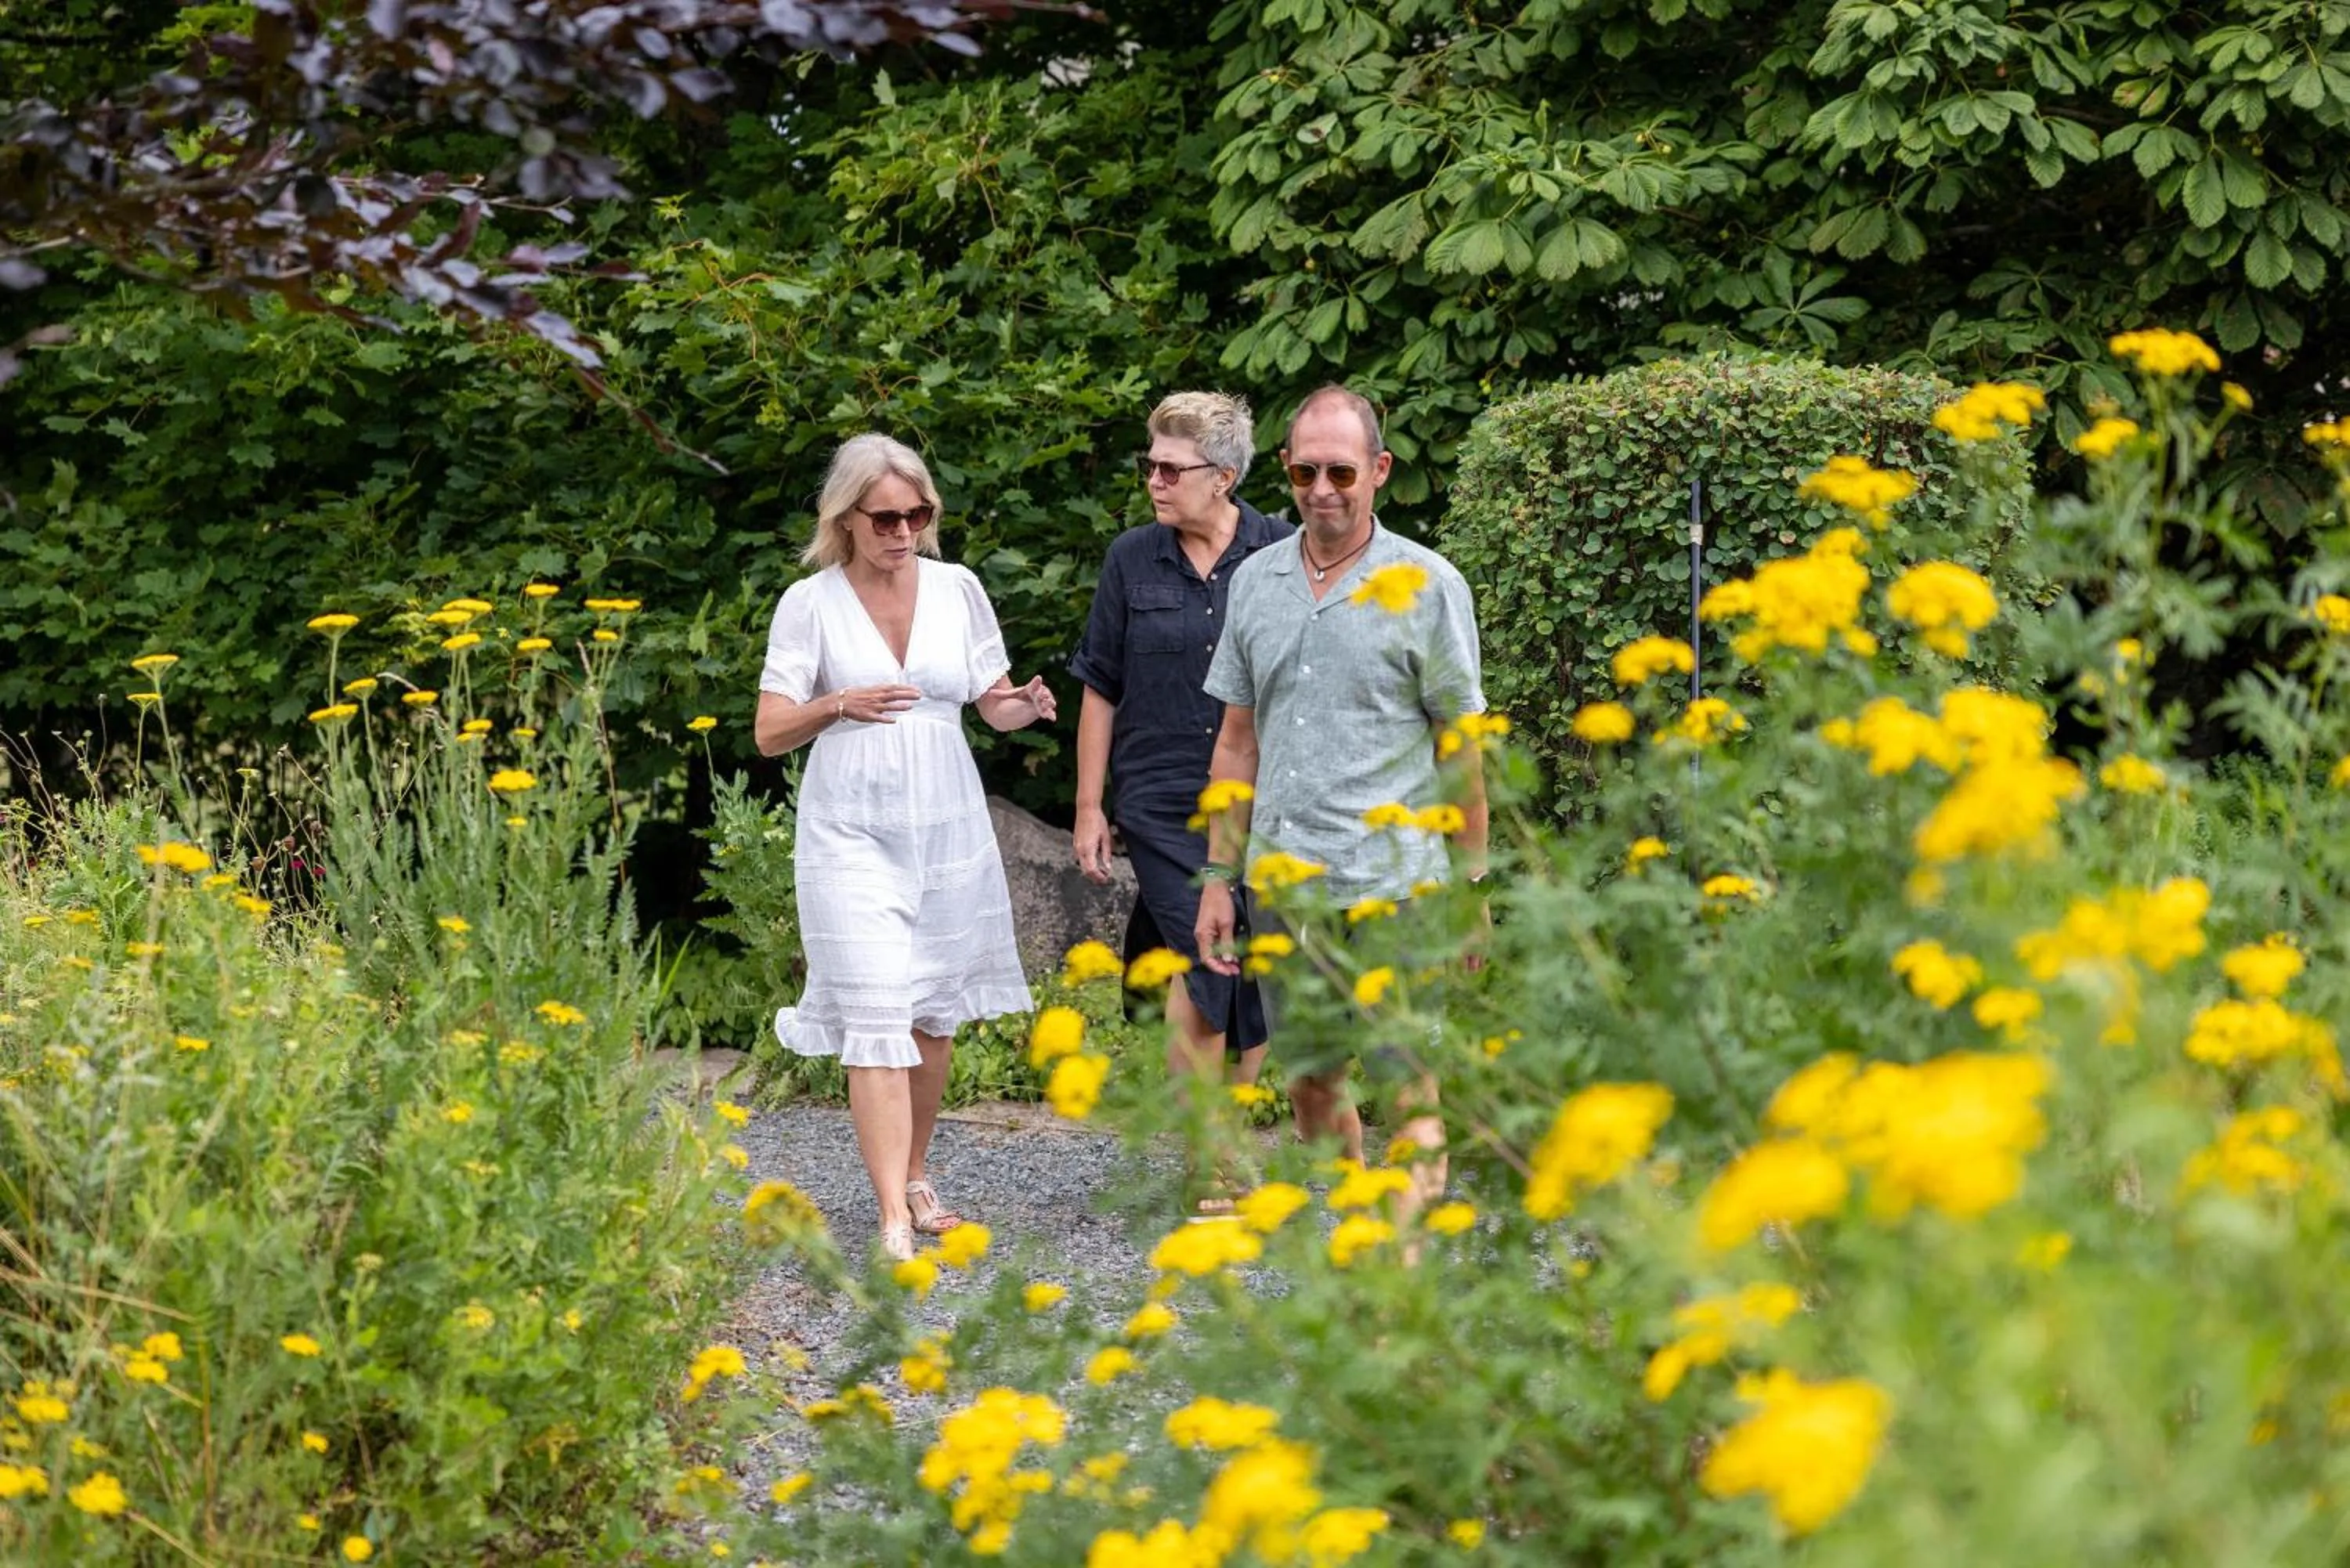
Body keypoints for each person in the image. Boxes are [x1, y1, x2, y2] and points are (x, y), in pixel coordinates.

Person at [754, 433, 1058, 1262]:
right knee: (877, 1012)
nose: (903, 529)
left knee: (930, 1018)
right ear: (845, 518)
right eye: (886, 516)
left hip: (947, 821)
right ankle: (892, 1211)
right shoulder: (809, 604)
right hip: (849, 827)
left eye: (918, 513)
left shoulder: (959, 588)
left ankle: (918, 1173)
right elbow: (770, 731)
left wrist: (1024, 705)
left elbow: (988, 705)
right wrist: (839, 702)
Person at [1194, 384, 1487, 1216]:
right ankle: (1362, 1229)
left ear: (1381, 471)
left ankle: (1408, 1256)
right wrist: (1219, 875)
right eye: (1306, 470)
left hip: (1398, 882)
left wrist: (1471, 886)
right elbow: (1237, 742)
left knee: (1408, 1081)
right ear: (1285, 468)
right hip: (1286, 884)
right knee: (1312, 1083)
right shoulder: (1255, 582)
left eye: (1342, 472)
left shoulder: (1428, 585)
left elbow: (1459, 747)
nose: (1322, 489)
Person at [1068, 392, 1292, 1209]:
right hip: (1161, 801)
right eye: (1150, 465)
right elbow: (1100, 682)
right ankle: (1214, 1157)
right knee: (1209, 957)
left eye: (1172, 468)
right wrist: (1090, 806)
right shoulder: (1132, 560)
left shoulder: (1280, 552)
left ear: (1225, 477)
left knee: (1252, 973)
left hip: (1262, 797)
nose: (1155, 481)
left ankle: (1220, 1135)